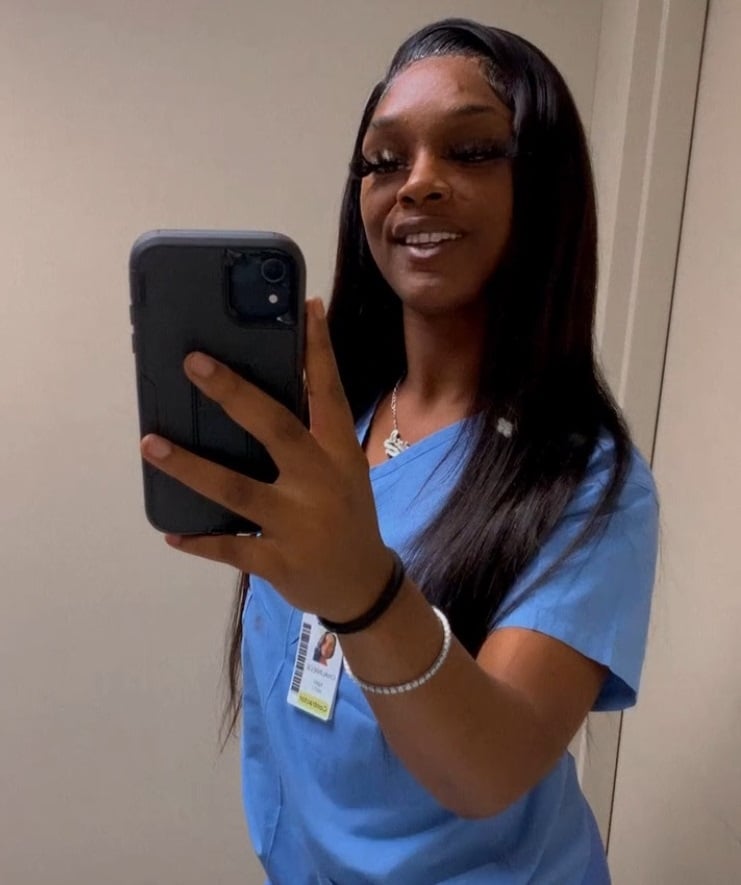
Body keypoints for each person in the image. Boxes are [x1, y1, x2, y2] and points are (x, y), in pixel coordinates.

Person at [140, 17, 659, 884]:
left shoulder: (586, 483)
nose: (416, 184)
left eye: (471, 151)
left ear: (544, 188)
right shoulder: (325, 428)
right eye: (385, 161)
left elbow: (484, 771)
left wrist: (365, 593)